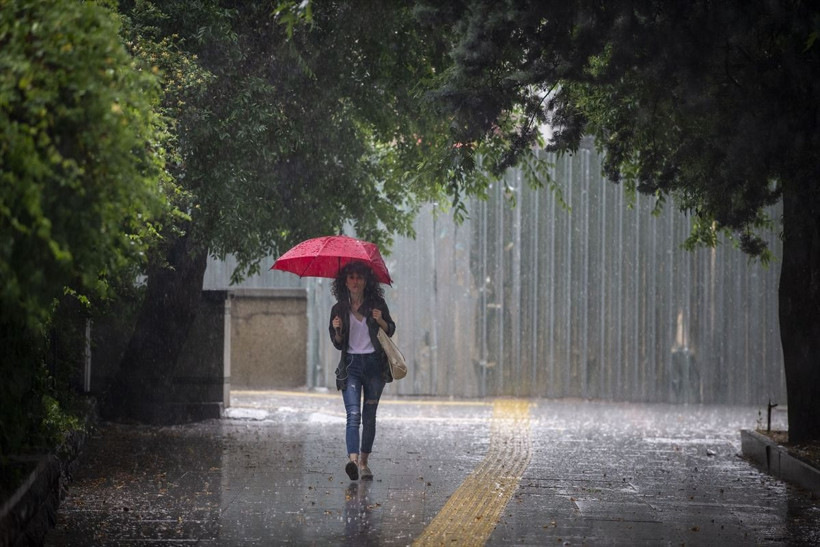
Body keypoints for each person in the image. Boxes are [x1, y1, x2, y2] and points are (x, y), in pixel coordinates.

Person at [329, 261, 396, 481]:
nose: (355, 281)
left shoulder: (376, 304)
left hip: (375, 366)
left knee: (369, 417)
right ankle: (353, 461)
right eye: (351, 277)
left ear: (366, 280)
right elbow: (338, 343)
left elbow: (391, 329)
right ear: (345, 282)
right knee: (353, 415)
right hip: (351, 366)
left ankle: (365, 462)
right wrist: (338, 330)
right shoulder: (338, 309)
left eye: (359, 277)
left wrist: (380, 320)